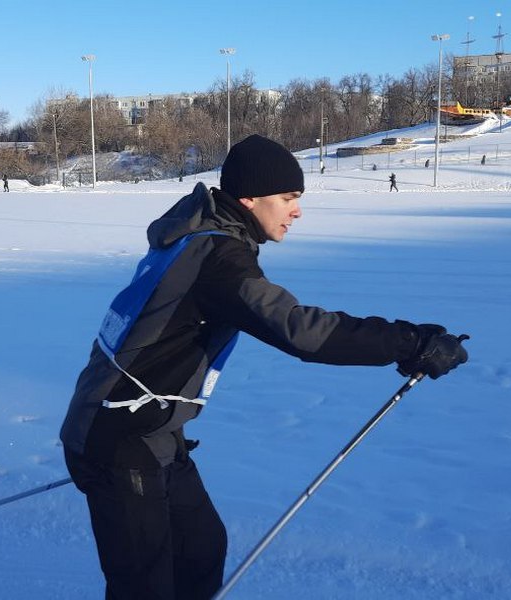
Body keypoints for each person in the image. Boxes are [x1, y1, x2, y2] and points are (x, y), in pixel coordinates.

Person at [59, 134, 468, 600]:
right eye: (288, 198)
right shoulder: (217, 258)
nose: (296, 211)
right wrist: (408, 342)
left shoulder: (204, 239)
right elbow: (298, 329)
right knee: (145, 585)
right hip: (119, 438)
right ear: (249, 197)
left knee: (200, 551)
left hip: (151, 432)